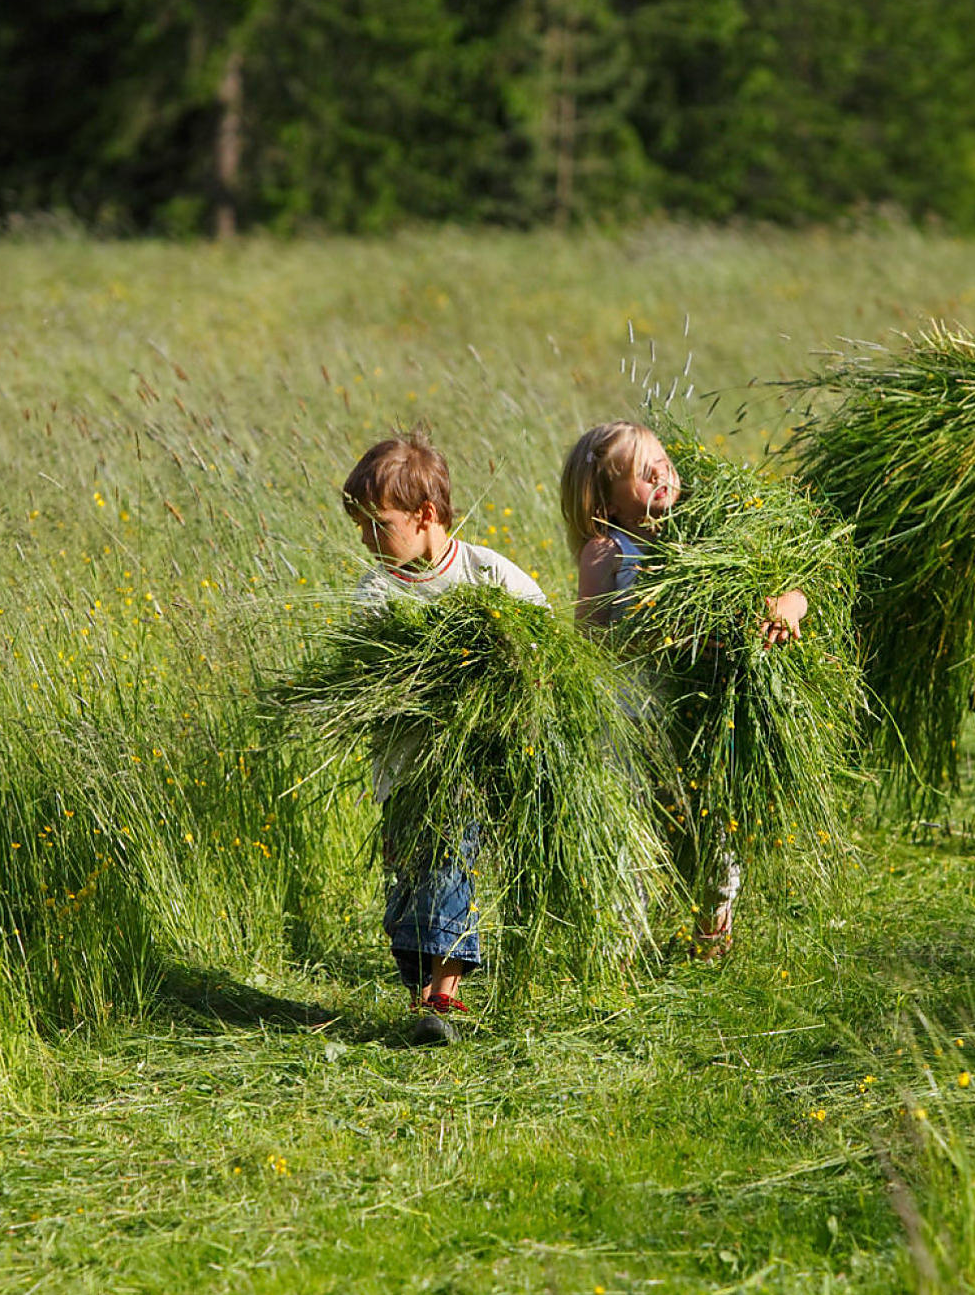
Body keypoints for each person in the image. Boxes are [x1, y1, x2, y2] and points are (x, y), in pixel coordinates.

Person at [558, 420, 807, 957]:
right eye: (638, 472)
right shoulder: (607, 550)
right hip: (633, 720)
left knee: (715, 820)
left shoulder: (705, 533)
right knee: (637, 824)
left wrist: (788, 606)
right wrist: (661, 633)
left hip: (704, 711)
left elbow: (796, 581)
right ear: (607, 501)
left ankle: (713, 935)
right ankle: (624, 946)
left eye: (662, 461)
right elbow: (592, 639)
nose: (661, 473)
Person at [343, 433, 548, 1044]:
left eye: (377, 525)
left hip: (468, 762)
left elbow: (537, 630)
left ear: (425, 516)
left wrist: (507, 663)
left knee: (451, 860)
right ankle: (419, 998)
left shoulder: (485, 574)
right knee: (408, 874)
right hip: (404, 766)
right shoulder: (378, 594)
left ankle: (445, 994)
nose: (366, 541)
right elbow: (362, 672)